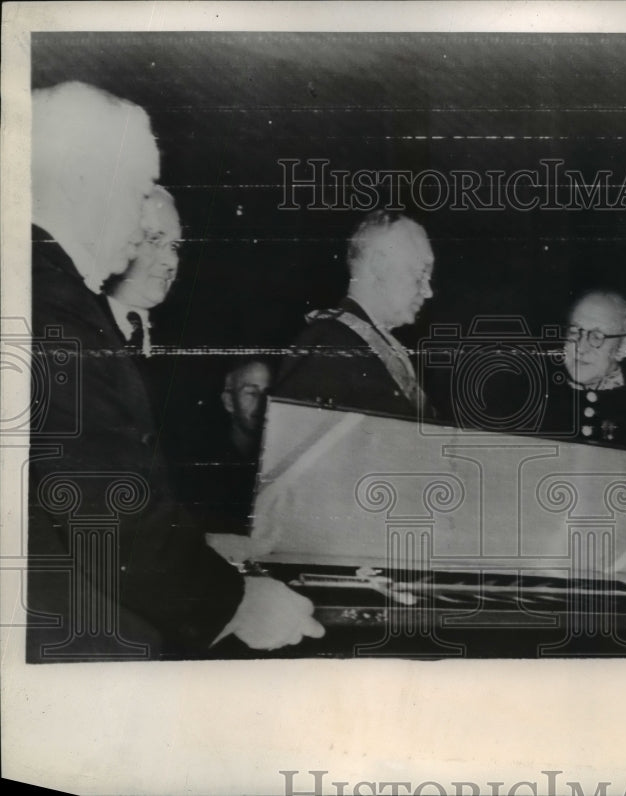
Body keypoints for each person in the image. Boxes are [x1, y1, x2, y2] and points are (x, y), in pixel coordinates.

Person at [29, 81, 323, 660]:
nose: (142, 227)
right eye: (140, 192)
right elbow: (103, 512)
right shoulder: (49, 303)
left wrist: (199, 546)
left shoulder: (43, 288)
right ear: (87, 179)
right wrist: (235, 603)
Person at [274, 210, 435, 418]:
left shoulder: (360, 345)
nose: (428, 291)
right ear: (379, 265)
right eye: (421, 274)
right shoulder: (330, 345)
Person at [538, 290, 626, 453]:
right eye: (574, 331)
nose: (581, 347)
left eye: (597, 336)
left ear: (623, 347)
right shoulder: (534, 406)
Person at [178, 359, 272, 535]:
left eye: (268, 393)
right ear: (229, 402)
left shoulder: (278, 457)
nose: (263, 403)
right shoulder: (202, 466)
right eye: (251, 393)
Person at [100, 186, 181, 357]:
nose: (172, 261)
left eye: (174, 246)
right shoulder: (75, 322)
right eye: (154, 240)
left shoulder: (182, 340)